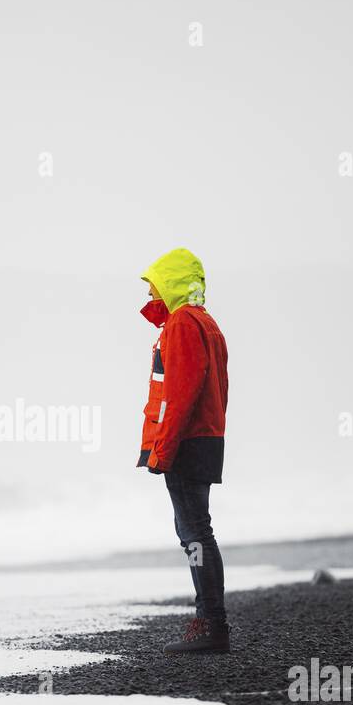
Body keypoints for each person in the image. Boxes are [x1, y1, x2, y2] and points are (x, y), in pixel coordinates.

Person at [136, 248, 231, 654]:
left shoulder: (182, 325)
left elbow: (181, 394)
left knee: (194, 533)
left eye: (156, 282)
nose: (151, 289)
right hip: (205, 438)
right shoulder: (205, 323)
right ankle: (210, 621)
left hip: (187, 441)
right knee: (195, 531)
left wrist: (163, 449)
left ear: (172, 282)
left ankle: (211, 625)